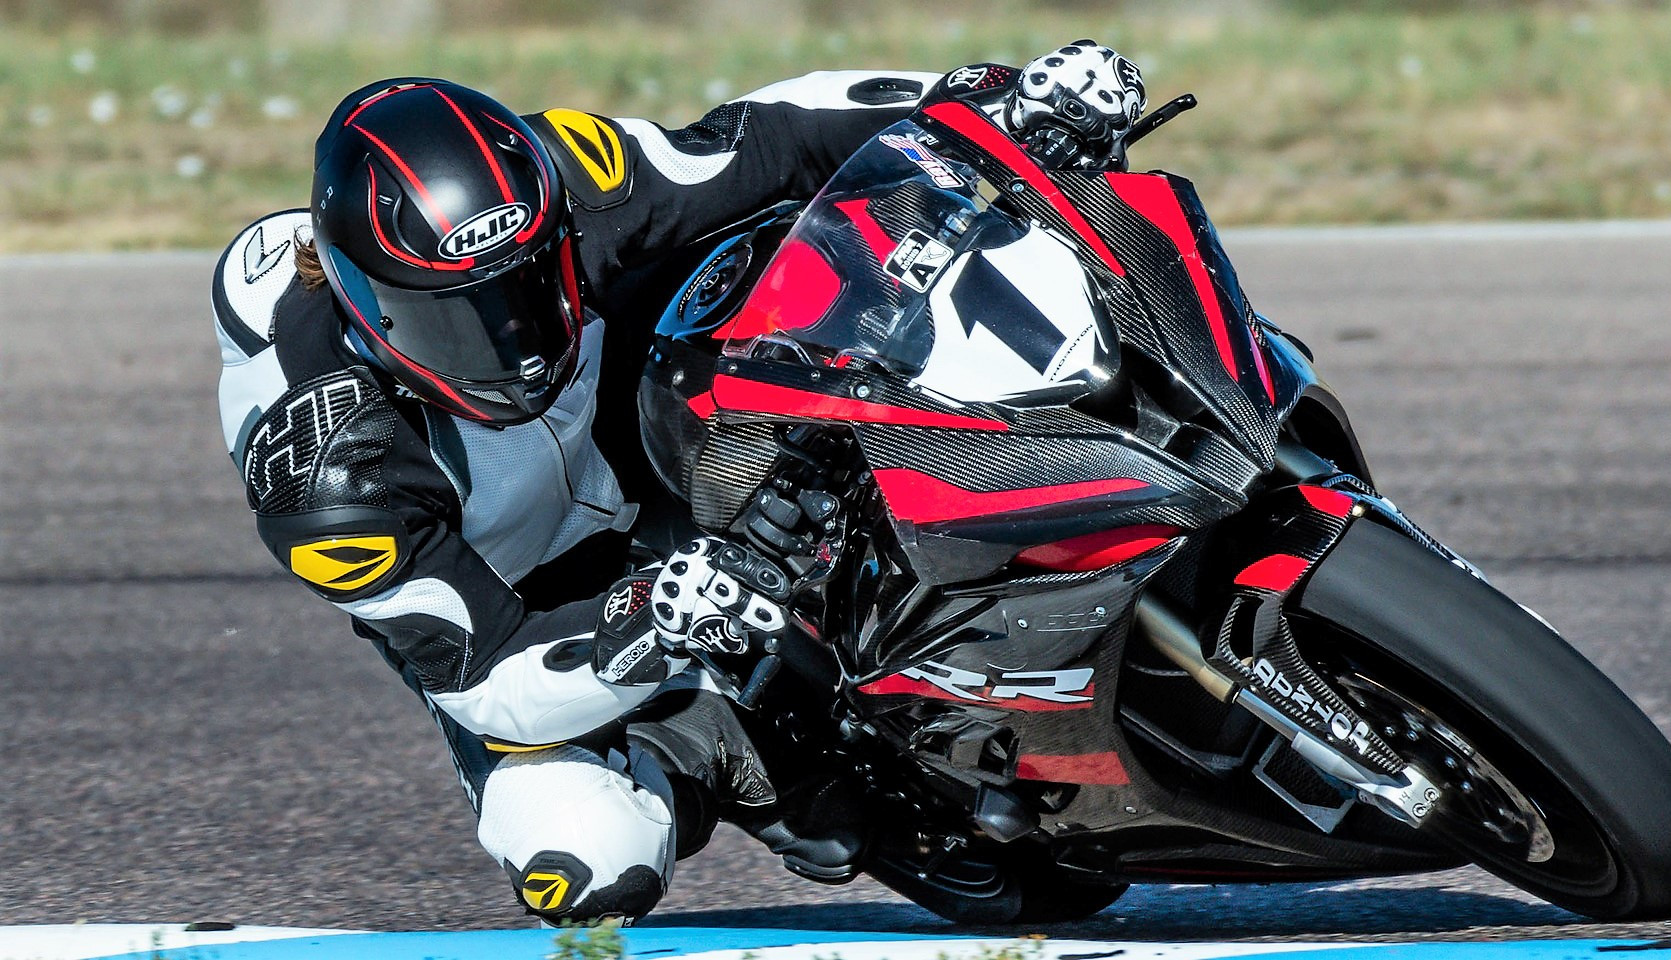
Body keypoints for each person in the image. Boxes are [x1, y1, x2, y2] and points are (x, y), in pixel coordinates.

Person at [209, 43, 1145, 926]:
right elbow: (486, 680)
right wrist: (651, 618)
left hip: (649, 428)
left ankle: (1045, 458)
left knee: (815, 238)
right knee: (589, 867)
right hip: (542, 600)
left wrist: (996, 101)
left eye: (528, 287)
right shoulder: (329, 474)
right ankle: (731, 753)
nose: (516, 341)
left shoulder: (572, 183)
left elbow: (773, 131)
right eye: (462, 322)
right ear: (361, 304)